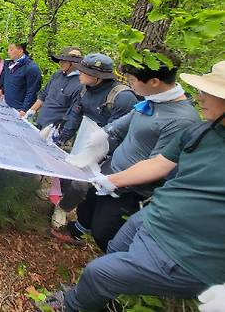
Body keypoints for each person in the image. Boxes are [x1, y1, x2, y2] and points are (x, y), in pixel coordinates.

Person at [36, 60, 225, 312]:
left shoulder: (182, 120)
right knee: (113, 247)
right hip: (155, 216)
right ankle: (103, 295)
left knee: (98, 272)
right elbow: (158, 163)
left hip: (186, 249)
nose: (199, 97)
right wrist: (110, 178)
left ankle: (72, 305)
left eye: (208, 92)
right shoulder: (202, 131)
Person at [52, 51, 200, 251]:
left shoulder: (181, 119)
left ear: (154, 81)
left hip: (131, 189)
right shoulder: (152, 100)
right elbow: (123, 123)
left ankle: (113, 264)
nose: (130, 85)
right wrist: (102, 136)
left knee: (104, 231)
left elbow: (157, 165)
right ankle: (77, 231)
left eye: (132, 80)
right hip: (109, 170)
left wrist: (114, 181)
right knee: (87, 206)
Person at [49, 53, 138, 229]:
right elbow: (76, 113)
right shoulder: (85, 89)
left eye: (83, 71)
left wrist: (98, 153)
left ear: (97, 77)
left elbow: (121, 132)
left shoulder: (122, 97)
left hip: (106, 151)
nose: (79, 74)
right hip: (84, 138)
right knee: (67, 171)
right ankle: (60, 197)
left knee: (82, 185)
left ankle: (63, 208)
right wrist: (62, 137)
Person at [22, 47, 83, 128]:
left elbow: (73, 115)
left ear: (74, 63)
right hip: (39, 123)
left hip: (53, 130)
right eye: (60, 60)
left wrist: (60, 133)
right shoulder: (57, 74)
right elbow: (44, 94)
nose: (60, 63)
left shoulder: (80, 84)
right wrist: (31, 111)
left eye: (64, 61)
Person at [0, 43, 42, 115]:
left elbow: (32, 91)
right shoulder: (8, 63)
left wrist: (24, 109)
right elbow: (9, 81)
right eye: (8, 50)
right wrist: (2, 90)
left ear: (20, 51)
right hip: (6, 103)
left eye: (11, 50)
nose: (8, 52)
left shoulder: (31, 68)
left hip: (19, 109)